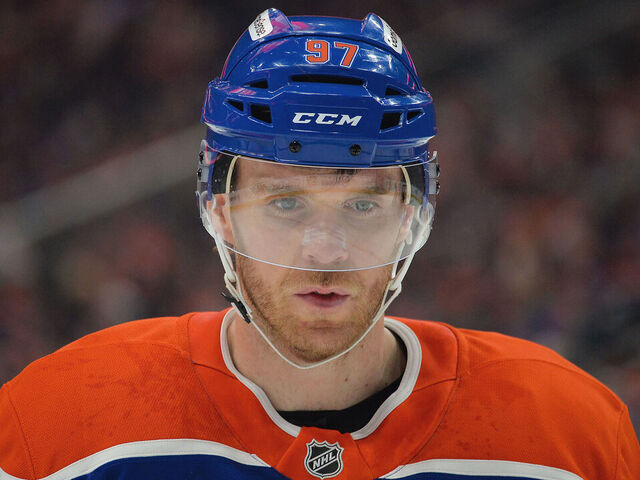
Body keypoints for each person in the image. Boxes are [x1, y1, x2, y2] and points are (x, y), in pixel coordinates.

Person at [1, 8, 638, 480]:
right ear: (220, 209)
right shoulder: (58, 422)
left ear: (411, 216)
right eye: (285, 203)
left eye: (362, 205)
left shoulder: (570, 435)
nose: (325, 251)